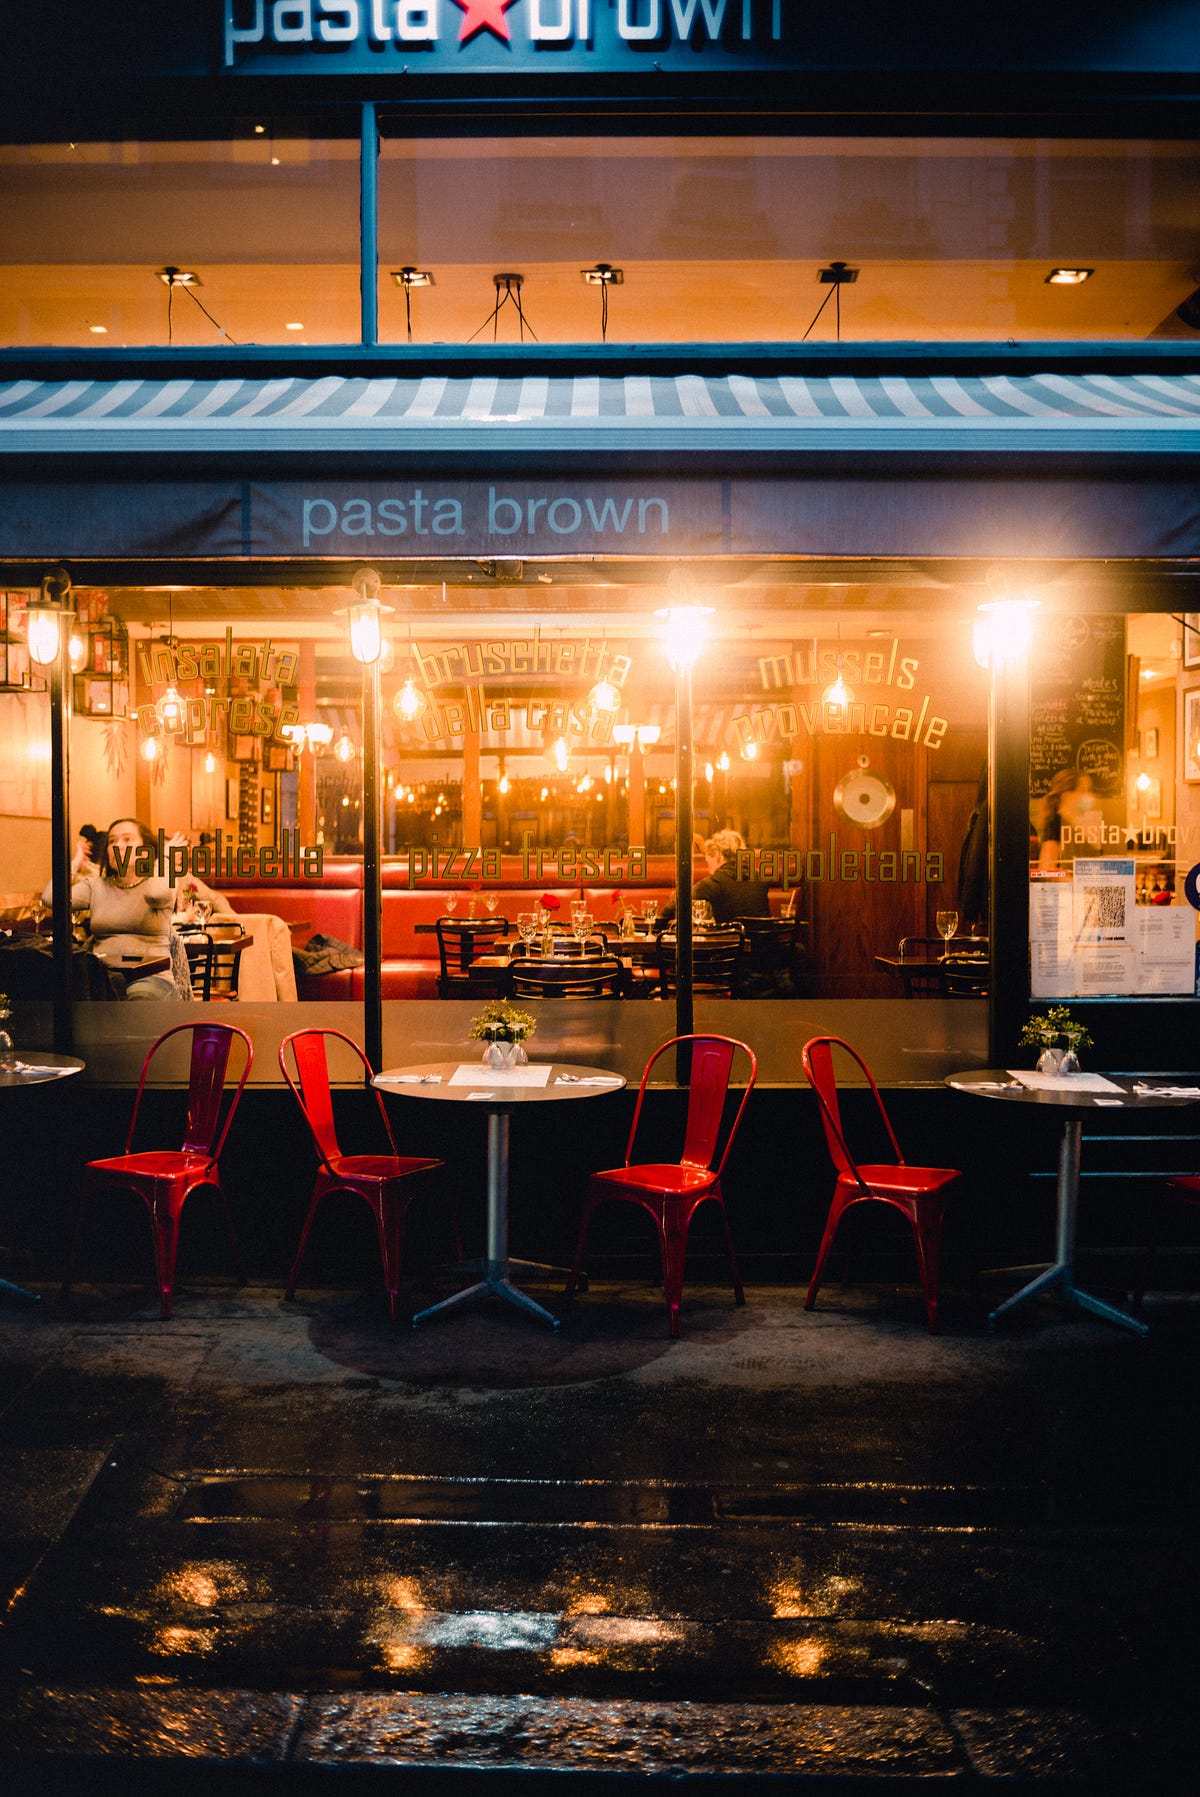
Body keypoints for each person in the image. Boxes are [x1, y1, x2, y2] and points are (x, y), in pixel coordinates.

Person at [45, 817, 190, 1001]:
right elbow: (51, 899)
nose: (118, 845)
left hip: (150, 979)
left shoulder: (159, 880)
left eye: (127, 839)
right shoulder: (96, 885)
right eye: (112, 841)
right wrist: (75, 863)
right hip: (103, 978)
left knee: (136, 999)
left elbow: (157, 895)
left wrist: (164, 858)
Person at [659, 828, 773, 927]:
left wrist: (656, 931)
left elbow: (675, 905)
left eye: (709, 858)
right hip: (768, 948)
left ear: (718, 856)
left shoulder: (715, 882)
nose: (707, 862)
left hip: (735, 948)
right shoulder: (760, 877)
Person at [1036, 770, 1098, 870]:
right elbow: (1046, 868)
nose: (1089, 795)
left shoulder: (1072, 826)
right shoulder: (1055, 824)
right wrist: (1076, 881)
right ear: (1067, 795)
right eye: (1084, 790)